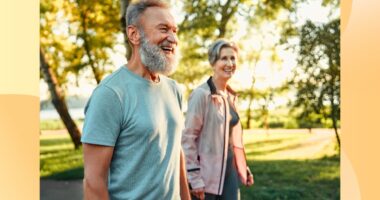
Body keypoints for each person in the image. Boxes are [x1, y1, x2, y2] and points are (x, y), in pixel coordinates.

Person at [81, 1, 190, 199]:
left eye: (175, 31)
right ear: (134, 34)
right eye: (163, 29)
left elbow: (176, 152)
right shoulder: (110, 94)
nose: (173, 38)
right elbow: (93, 182)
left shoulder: (174, 89)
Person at [181, 39, 254, 200]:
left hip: (230, 175)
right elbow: (187, 139)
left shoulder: (231, 96)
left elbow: (230, 140)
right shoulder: (201, 95)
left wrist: (242, 167)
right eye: (224, 58)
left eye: (233, 58)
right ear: (213, 63)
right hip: (206, 179)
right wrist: (194, 178)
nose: (230, 63)